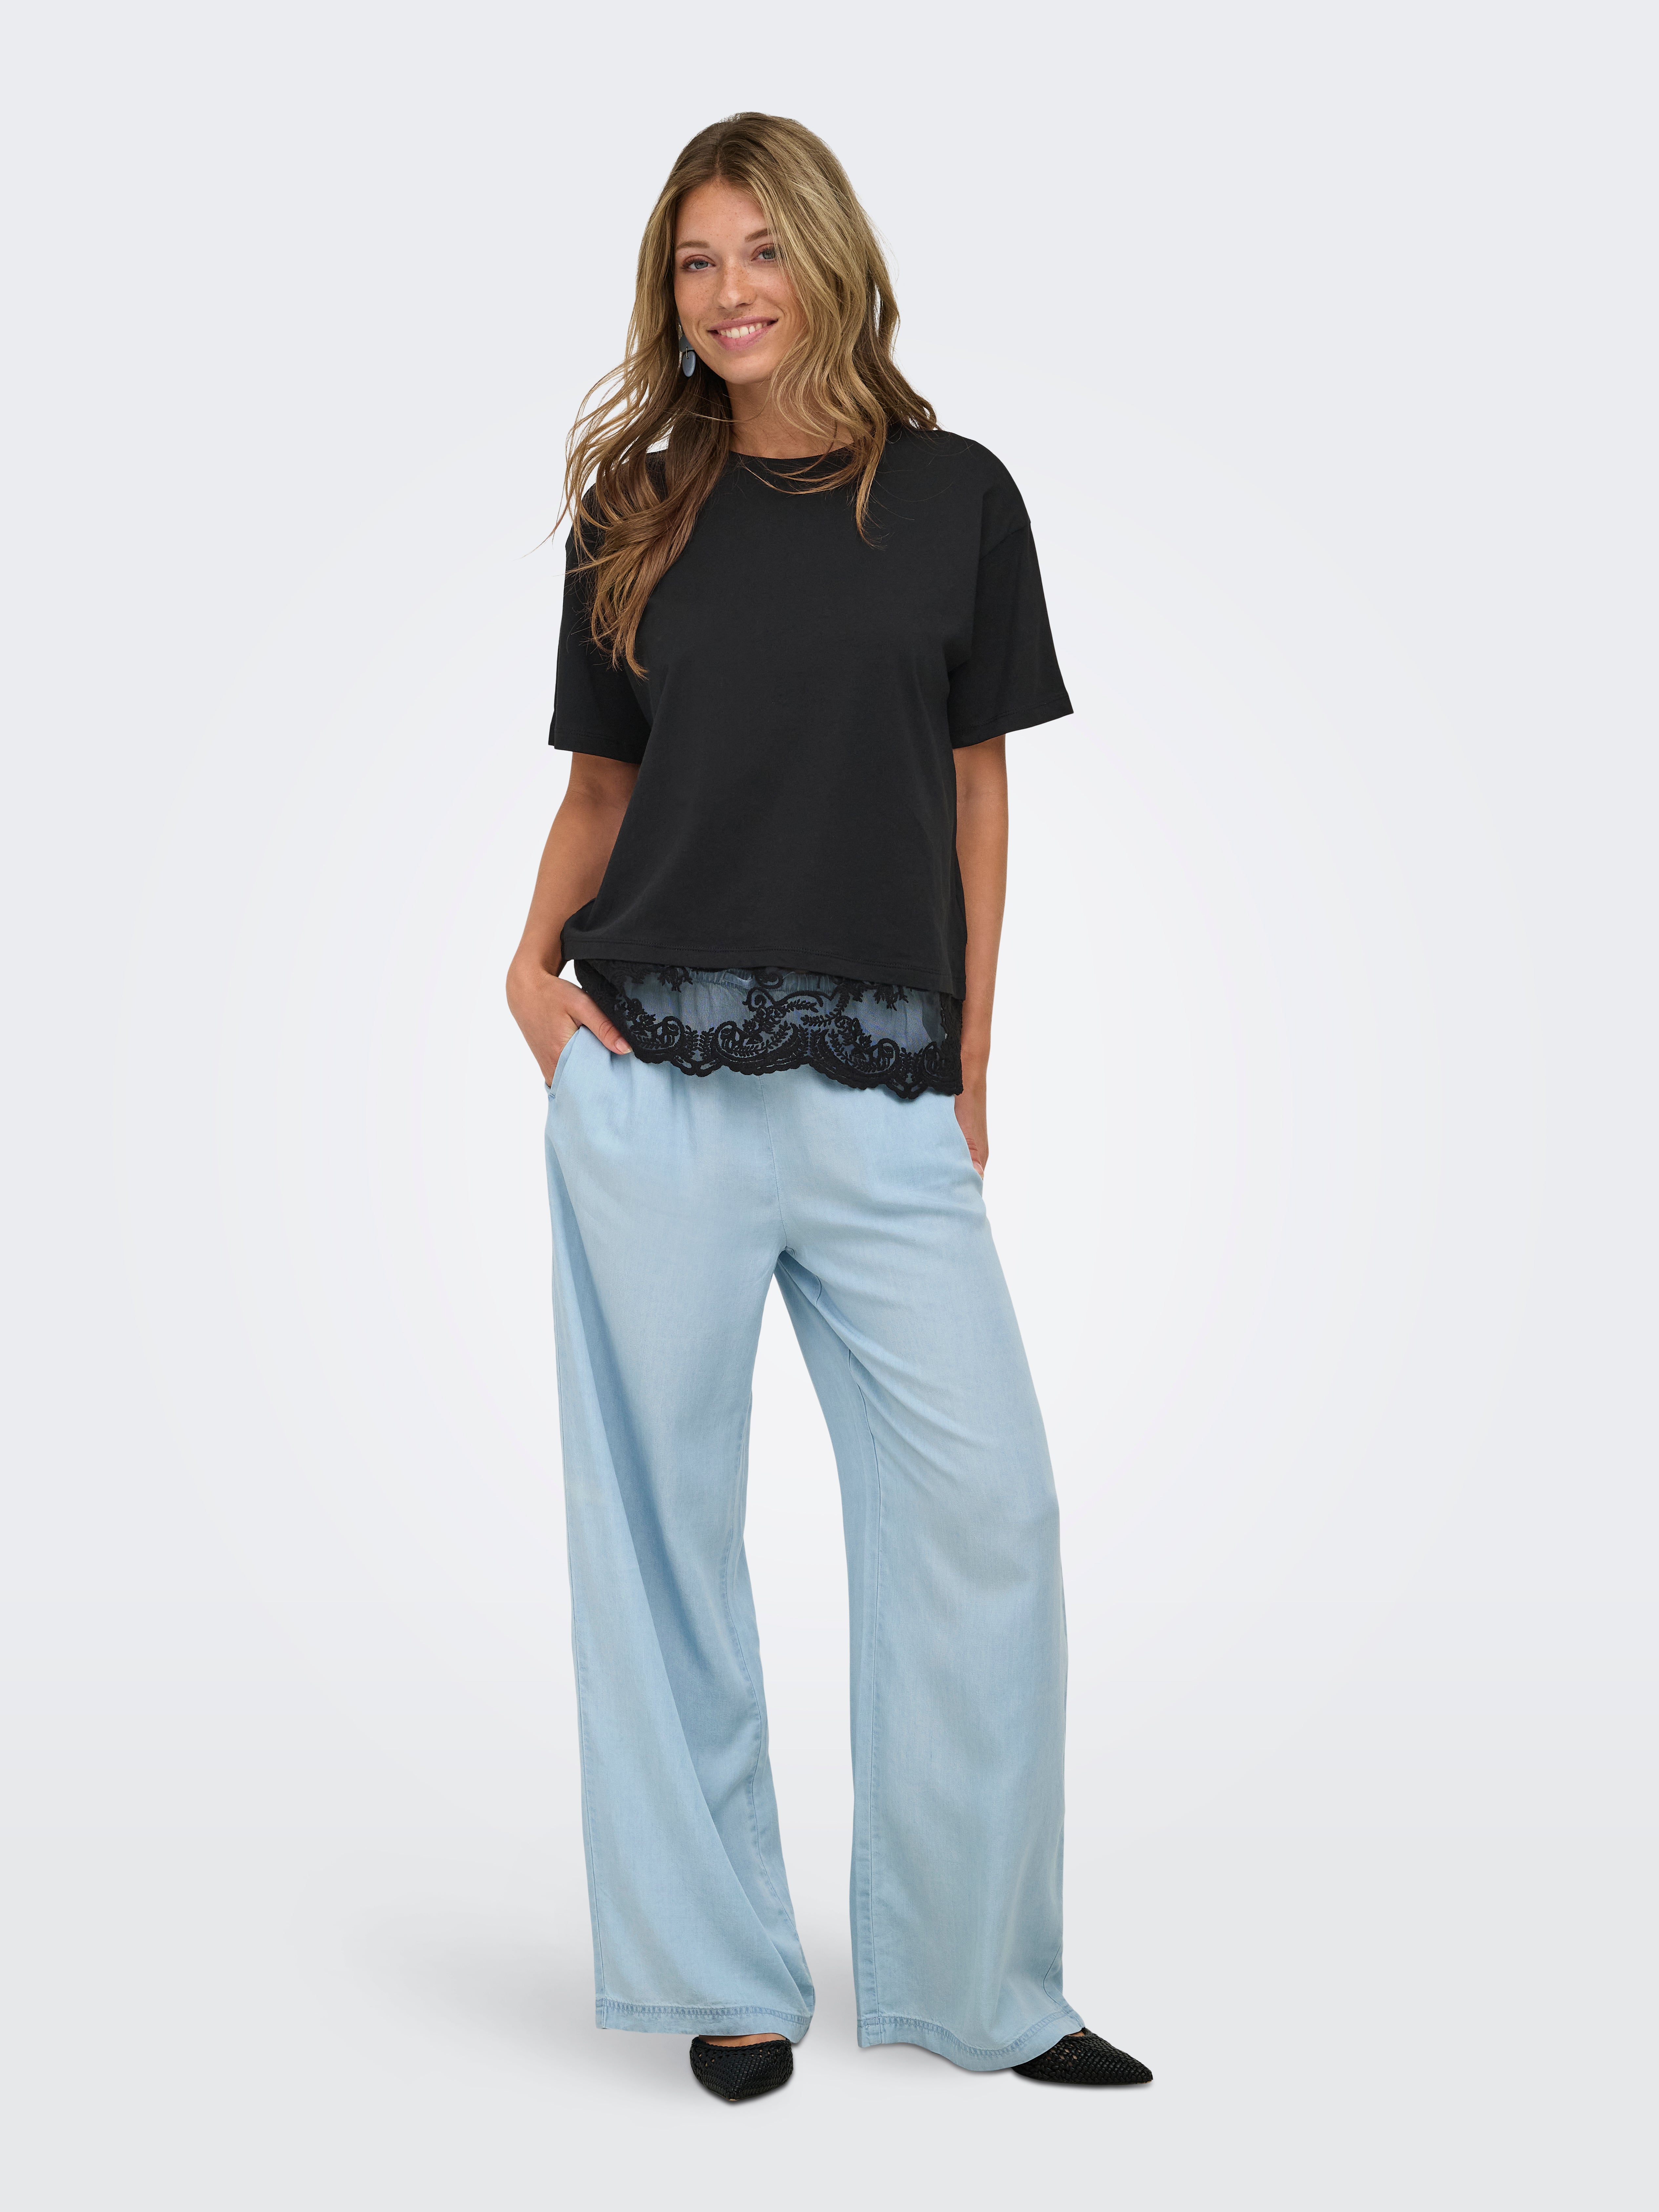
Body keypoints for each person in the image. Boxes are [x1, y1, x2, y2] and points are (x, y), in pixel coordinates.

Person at [506, 111, 1151, 2103]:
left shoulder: (957, 498)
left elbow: (977, 792)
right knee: (661, 1541)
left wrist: (972, 1066)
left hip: (884, 1099)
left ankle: (982, 1984)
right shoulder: (636, 505)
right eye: (695, 262)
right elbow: (603, 788)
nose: (731, 293)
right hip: (652, 1086)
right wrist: (526, 978)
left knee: (988, 1514)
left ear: (831, 258)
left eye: (761, 250)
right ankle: (721, 1975)